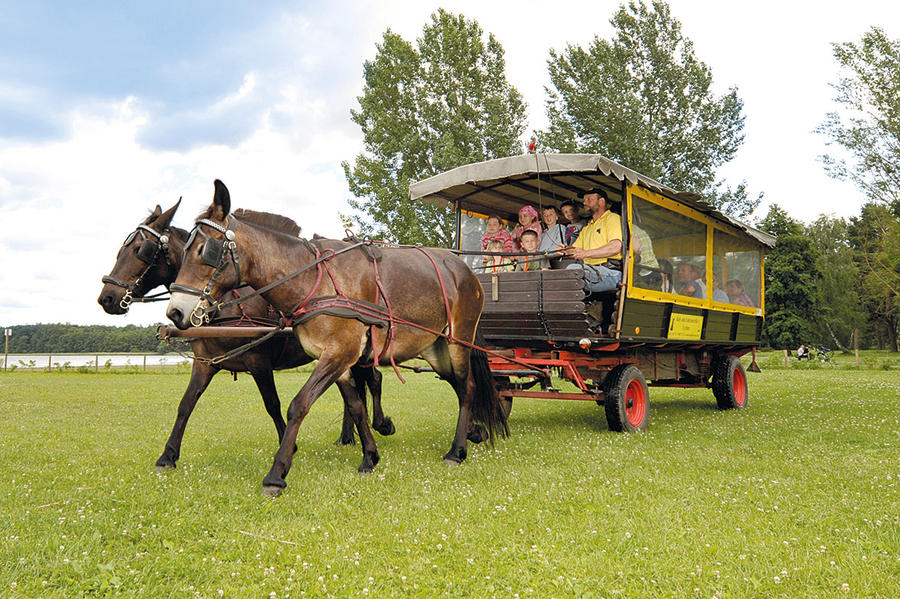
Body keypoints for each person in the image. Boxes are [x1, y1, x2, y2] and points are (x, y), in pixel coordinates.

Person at [558, 188, 622, 293]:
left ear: (601, 201)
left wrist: (586, 253)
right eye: (584, 200)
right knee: (557, 274)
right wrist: (564, 250)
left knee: (572, 270)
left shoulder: (612, 218)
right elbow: (575, 249)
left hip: (610, 272)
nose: (584, 202)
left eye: (589, 199)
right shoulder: (587, 227)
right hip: (590, 271)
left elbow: (615, 247)